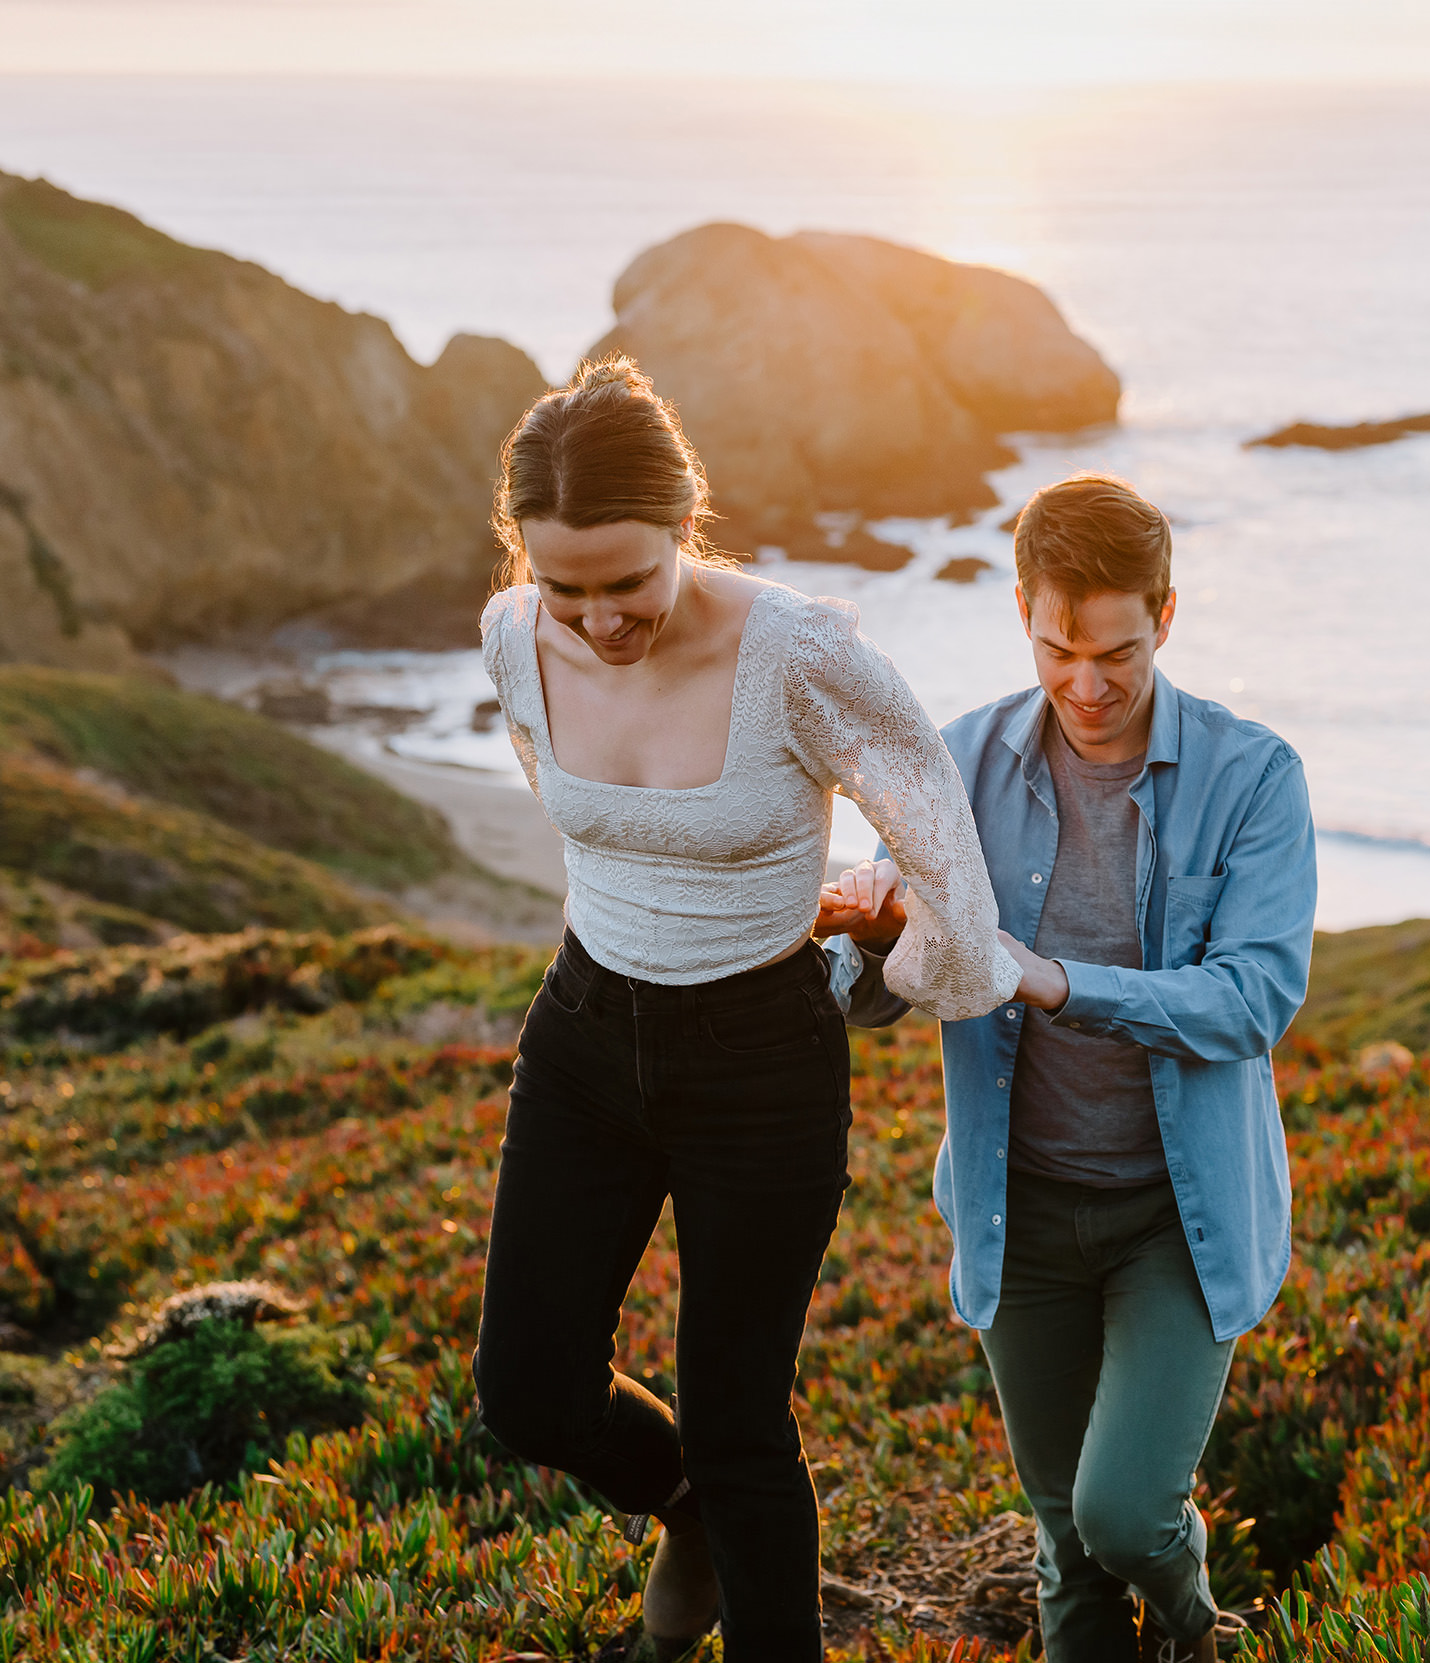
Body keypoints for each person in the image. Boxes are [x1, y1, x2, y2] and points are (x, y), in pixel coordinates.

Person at [471, 359, 1020, 1663]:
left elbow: (942, 848)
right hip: (586, 1036)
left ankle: (739, 1551)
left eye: (628, 581)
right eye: (565, 587)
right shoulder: (506, 635)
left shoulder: (801, 653)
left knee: (739, 1418)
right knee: (529, 1391)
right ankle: (685, 1516)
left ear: (685, 524)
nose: (598, 620)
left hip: (760, 1060)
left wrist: (886, 954)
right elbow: (568, 798)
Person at [816, 473, 1316, 1663]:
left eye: (1117, 653)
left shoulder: (1256, 777)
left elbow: (1254, 1000)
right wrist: (865, 938)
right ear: (1025, 616)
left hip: (1176, 1222)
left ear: (1167, 616)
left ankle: (1200, 1631)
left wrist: (1052, 979)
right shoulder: (956, 764)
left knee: (1122, 1515)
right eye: (1056, 650)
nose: (1084, 686)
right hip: (1016, 1210)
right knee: (1062, 1542)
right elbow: (882, 999)